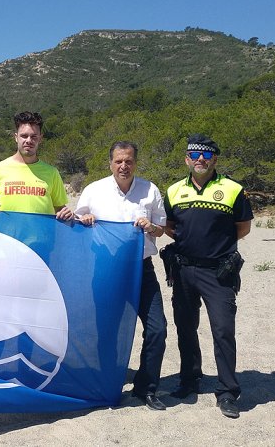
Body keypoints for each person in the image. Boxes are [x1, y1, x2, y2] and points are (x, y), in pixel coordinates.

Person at [164, 134, 252, 419]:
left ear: (215, 158)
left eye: (206, 155)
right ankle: (190, 380)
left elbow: (243, 227)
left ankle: (227, 391)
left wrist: (216, 246)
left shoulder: (233, 189)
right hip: (184, 270)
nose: (200, 159)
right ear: (187, 159)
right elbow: (170, 226)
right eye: (194, 155)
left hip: (218, 272)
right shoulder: (175, 190)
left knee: (223, 330)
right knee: (185, 327)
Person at [75, 141, 168, 411]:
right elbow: (78, 224)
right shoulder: (94, 190)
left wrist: (151, 226)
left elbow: (161, 229)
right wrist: (87, 220)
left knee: (157, 329)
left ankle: (146, 388)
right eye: (118, 161)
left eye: (128, 161)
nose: (123, 166)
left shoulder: (150, 190)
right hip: (106, 271)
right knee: (106, 330)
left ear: (135, 162)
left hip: (142, 270)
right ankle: (106, 384)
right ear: (110, 163)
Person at [0, 111, 73, 220]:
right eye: (24, 136)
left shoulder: (52, 172)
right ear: (16, 137)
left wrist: (68, 214)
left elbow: (60, 208)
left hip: (41, 236)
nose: (29, 140)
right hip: (6, 236)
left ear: (40, 138)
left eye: (34, 136)